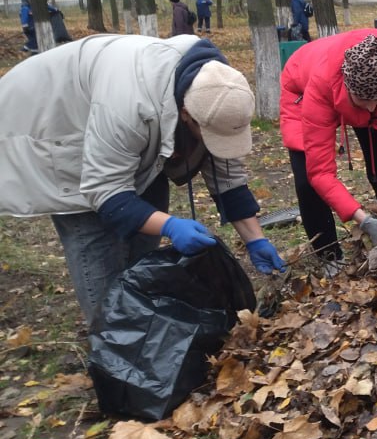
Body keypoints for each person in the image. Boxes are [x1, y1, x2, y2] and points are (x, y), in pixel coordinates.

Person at [0, 35, 286, 326]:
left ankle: (139, 320)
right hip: (53, 123)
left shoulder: (218, 87)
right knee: (94, 236)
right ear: (187, 114)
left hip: (117, 126)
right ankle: (109, 336)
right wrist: (170, 226)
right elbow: (105, 192)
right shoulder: (128, 103)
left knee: (145, 230)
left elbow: (227, 176)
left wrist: (255, 239)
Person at [279, 30, 377, 270]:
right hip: (301, 85)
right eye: (363, 101)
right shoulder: (320, 86)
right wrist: (361, 218)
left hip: (359, 89)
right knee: (307, 180)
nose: (371, 108)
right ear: (348, 87)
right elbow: (320, 172)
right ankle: (329, 254)